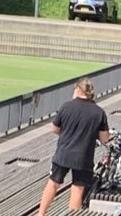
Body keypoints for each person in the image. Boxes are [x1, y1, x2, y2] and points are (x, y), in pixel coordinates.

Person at [38, 78, 109, 216]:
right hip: (83, 157)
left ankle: (41, 214)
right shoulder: (99, 112)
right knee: (77, 189)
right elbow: (104, 138)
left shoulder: (66, 106)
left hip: (63, 154)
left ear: (77, 89)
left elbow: (54, 129)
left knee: (53, 183)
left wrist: (66, 133)